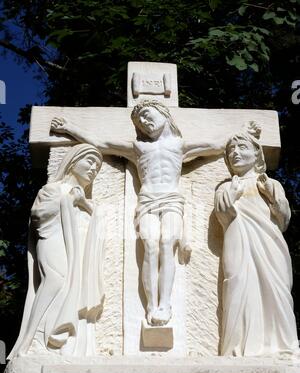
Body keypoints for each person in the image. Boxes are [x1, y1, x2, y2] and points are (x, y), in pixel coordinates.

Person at [51, 100, 223, 326]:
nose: (144, 121)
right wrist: (69, 129)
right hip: (148, 201)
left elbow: (217, 145)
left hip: (171, 200)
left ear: (164, 114)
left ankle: (165, 304)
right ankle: (151, 305)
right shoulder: (139, 148)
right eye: (139, 121)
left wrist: (245, 134)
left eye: (147, 114)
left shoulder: (180, 145)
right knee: (150, 246)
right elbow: (101, 143)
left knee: (167, 244)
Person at [8, 143, 105, 358]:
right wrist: (70, 200)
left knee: (65, 284)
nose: (93, 169)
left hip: (72, 250)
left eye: (97, 167)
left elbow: (96, 221)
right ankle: (29, 340)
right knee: (55, 279)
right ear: (73, 161)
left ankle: (48, 338)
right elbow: (38, 216)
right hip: (51, 238)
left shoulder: (85, 199)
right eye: (89, 162)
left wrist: (84, 204)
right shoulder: (53, 189)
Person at [215, 121, 299, 356]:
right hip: (238, 244)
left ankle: (283, 344)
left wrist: (272, 196)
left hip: (270, 244)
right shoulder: (225, 187)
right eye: (231, 151)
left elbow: (283, 219)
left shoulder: (271, 184)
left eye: (242, 147)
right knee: (238, 285)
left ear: (256, 153)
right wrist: (230, 195)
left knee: (276, 288)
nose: (236, 153)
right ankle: (237, 347)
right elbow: (222, 214)